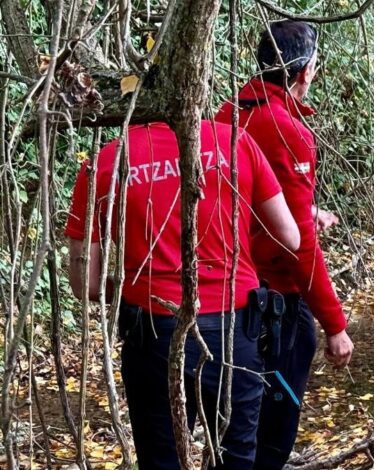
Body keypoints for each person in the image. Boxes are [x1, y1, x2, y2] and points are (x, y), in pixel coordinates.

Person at [65, 120, 300, 469]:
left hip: (153, 335)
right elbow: (290, 238)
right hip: (234, 331)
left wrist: (134, 283)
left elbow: (88, 283)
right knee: (236, 454)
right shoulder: (235, 141)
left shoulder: (105, 161)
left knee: (162, 457)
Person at [216, 20, 354, 469]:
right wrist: (336, 324)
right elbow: (299, 247)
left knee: (234, 423)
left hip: (225, 294)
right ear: (305, 72)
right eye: (315, 64)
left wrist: (303, 213)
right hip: (270, 299)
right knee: (272, 426)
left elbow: (242, 197)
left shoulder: (229, 114)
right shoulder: (286, 129)